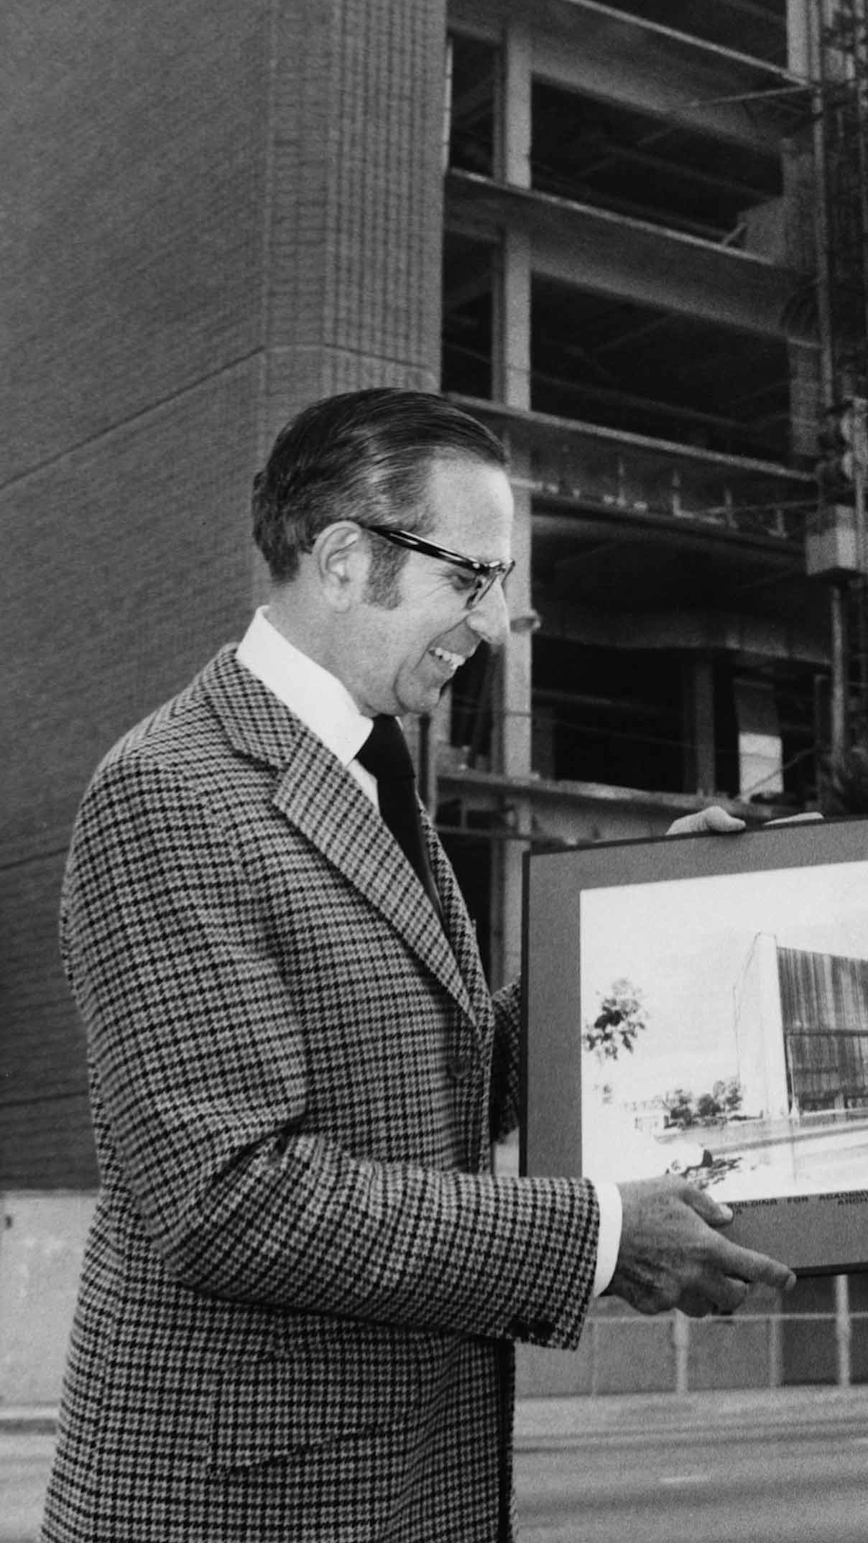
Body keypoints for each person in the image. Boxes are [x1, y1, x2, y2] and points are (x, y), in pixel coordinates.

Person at [46, 388, 794, 1543]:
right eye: (472, 576)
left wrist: (648, 924)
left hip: (390, 1478)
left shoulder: (366, 772)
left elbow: (440, 1078)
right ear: (345, 559)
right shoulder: (171, 790)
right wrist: (597, 1232)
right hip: (251, 1505)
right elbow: (228, 1198)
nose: (493, 624)